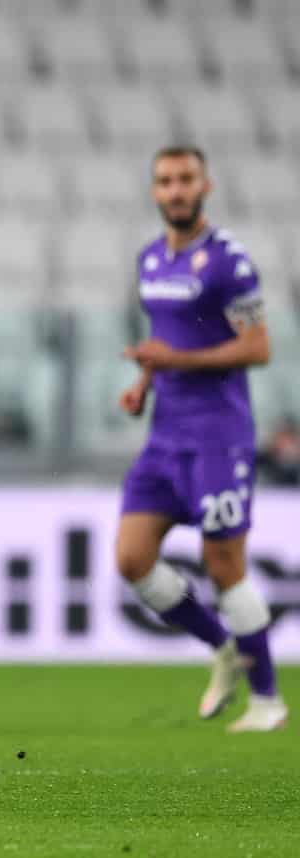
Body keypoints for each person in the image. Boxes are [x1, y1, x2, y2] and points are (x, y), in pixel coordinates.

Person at [117, 145, 286, 733]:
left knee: (224, 565)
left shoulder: (228, 262)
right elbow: (164, 341)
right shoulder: (149, 261)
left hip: (219, 435)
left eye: (186, 179)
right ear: (155, 191)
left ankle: (267, 700)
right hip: (165, 436)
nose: (176, 189)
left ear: (205, 185)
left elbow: (258, 347)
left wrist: (178, 362)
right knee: (132, 558)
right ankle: (221, 645)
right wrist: (145, 380)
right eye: (165, 180)